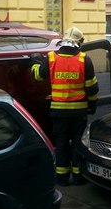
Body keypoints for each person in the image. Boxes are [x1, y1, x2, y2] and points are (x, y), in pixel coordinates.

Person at [31, 27, 99, 186]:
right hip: (78, 113)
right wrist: (93, 105)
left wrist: (34, 61)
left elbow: (37, 75)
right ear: (79, 43)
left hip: (58, 113)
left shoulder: (51, 58)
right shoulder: (84, 59)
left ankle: (61, 178)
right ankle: (78, 177)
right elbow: (92, 88)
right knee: (77, 144)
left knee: (61, 144)